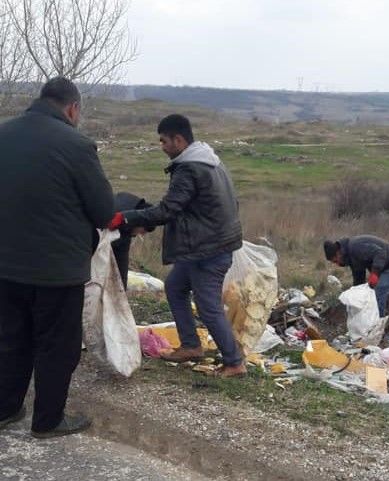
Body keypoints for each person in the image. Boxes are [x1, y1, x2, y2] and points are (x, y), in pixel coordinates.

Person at [0, 77, 114, 438]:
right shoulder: (77, 145)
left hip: (5, 266)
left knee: (10, 339)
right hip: (56, 270)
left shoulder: (3, 135)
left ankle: (6, 409)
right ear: (72, 108)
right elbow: (103, 211)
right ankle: (48, 420)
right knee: (56, 346)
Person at [108, 114, 246, 377]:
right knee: (174, 286)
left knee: (208, 306)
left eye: (164, 141)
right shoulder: (209, 160)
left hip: (207, 249)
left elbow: (168, 210)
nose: (162, 146)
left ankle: (234, 362)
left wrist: (126, 217)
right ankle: (192, 345)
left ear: (179, 139)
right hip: (210, 243)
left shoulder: (190, 168)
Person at [324, 235, 389, 317]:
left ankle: (377, 324)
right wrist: (356, 294)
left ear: (338, 253)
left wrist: (375, 273)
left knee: (377, 293)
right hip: (384, 269)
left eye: (335, 261)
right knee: (369, 293)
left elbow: (380, 253)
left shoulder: (356, 247)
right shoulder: (350, 257)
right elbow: (359, 277)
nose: (337, 264)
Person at [111, 192, 154, 290]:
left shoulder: (127, 227)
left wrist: (121, 291)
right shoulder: (114, 218)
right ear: (140, 223)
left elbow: (121, 261)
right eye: (143, 231)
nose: (141, 235)